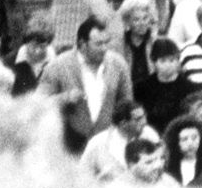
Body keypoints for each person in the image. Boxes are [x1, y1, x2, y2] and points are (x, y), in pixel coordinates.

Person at [38, 16, 135, 154]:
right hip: (69, 146)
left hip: (107, 146)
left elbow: (127, 104)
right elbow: (38, 104)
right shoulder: (57, 66)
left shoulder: (118, 64)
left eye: (106, 42)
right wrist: (65, 98)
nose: (104, 48)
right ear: (82, 44)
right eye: (98, 44)